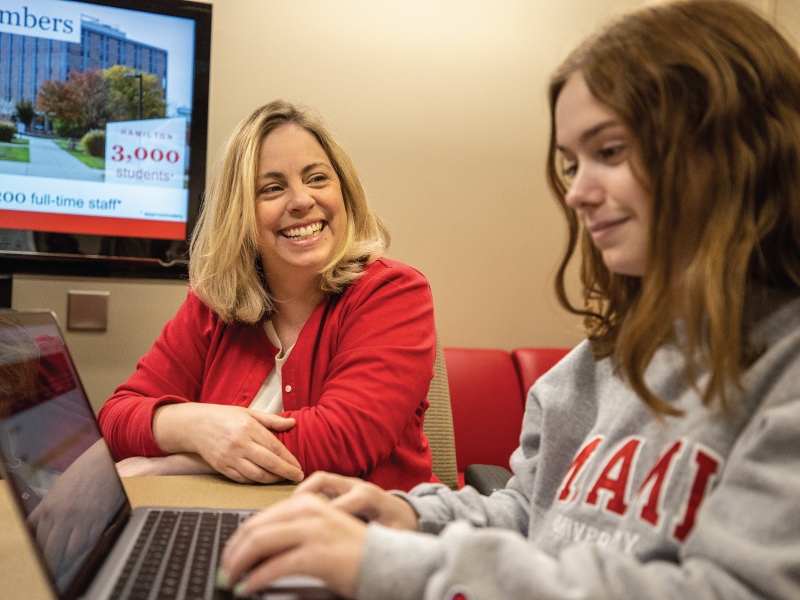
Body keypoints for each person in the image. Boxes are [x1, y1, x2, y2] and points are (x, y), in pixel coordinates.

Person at [216, 1, 800, 598]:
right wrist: (412, 519)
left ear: (730, 147)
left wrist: (400, 566)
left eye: (611, 152)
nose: (576, 193)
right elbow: (528, 511)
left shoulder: (785, 373)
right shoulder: (591, 369)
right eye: (571, 165)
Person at [97, 100, 437, 492]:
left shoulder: (393, 293)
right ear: (239, 211)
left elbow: (341, 443)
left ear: (344, 190)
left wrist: (182, 461)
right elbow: (117, 417)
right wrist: (199, 426)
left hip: (366, 539)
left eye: (317, 179)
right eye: (272, 188)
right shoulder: (213, 306)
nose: (301, 201)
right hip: (237, 527)